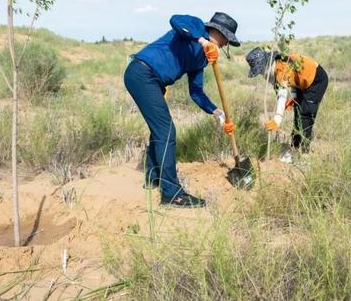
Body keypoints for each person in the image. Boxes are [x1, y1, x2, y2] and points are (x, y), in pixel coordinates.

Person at [124, 12, 241, 207]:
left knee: (160, 130)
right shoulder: (195, 27)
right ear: (216, 31)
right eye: (226, 39)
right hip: (142, 72)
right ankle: (172, 194)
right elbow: (175, 21)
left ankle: (153, 179)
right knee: (166, 131)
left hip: (153, 81)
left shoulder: (202, 60)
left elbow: (196, 92)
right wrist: (203, 41)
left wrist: (219, 114)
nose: (225, 44)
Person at [245, 47, 328, 162]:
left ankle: (304, 154)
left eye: (260, 70)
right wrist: (294, 98)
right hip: (301, 82)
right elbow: (293, 79)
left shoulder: (280, 68)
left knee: (305, 115)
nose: (261, 73)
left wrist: (277, 120)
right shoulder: (275, 68)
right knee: (298, 114)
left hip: (316, 80)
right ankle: (294, 148)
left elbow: (282, 93)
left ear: (266, 64)